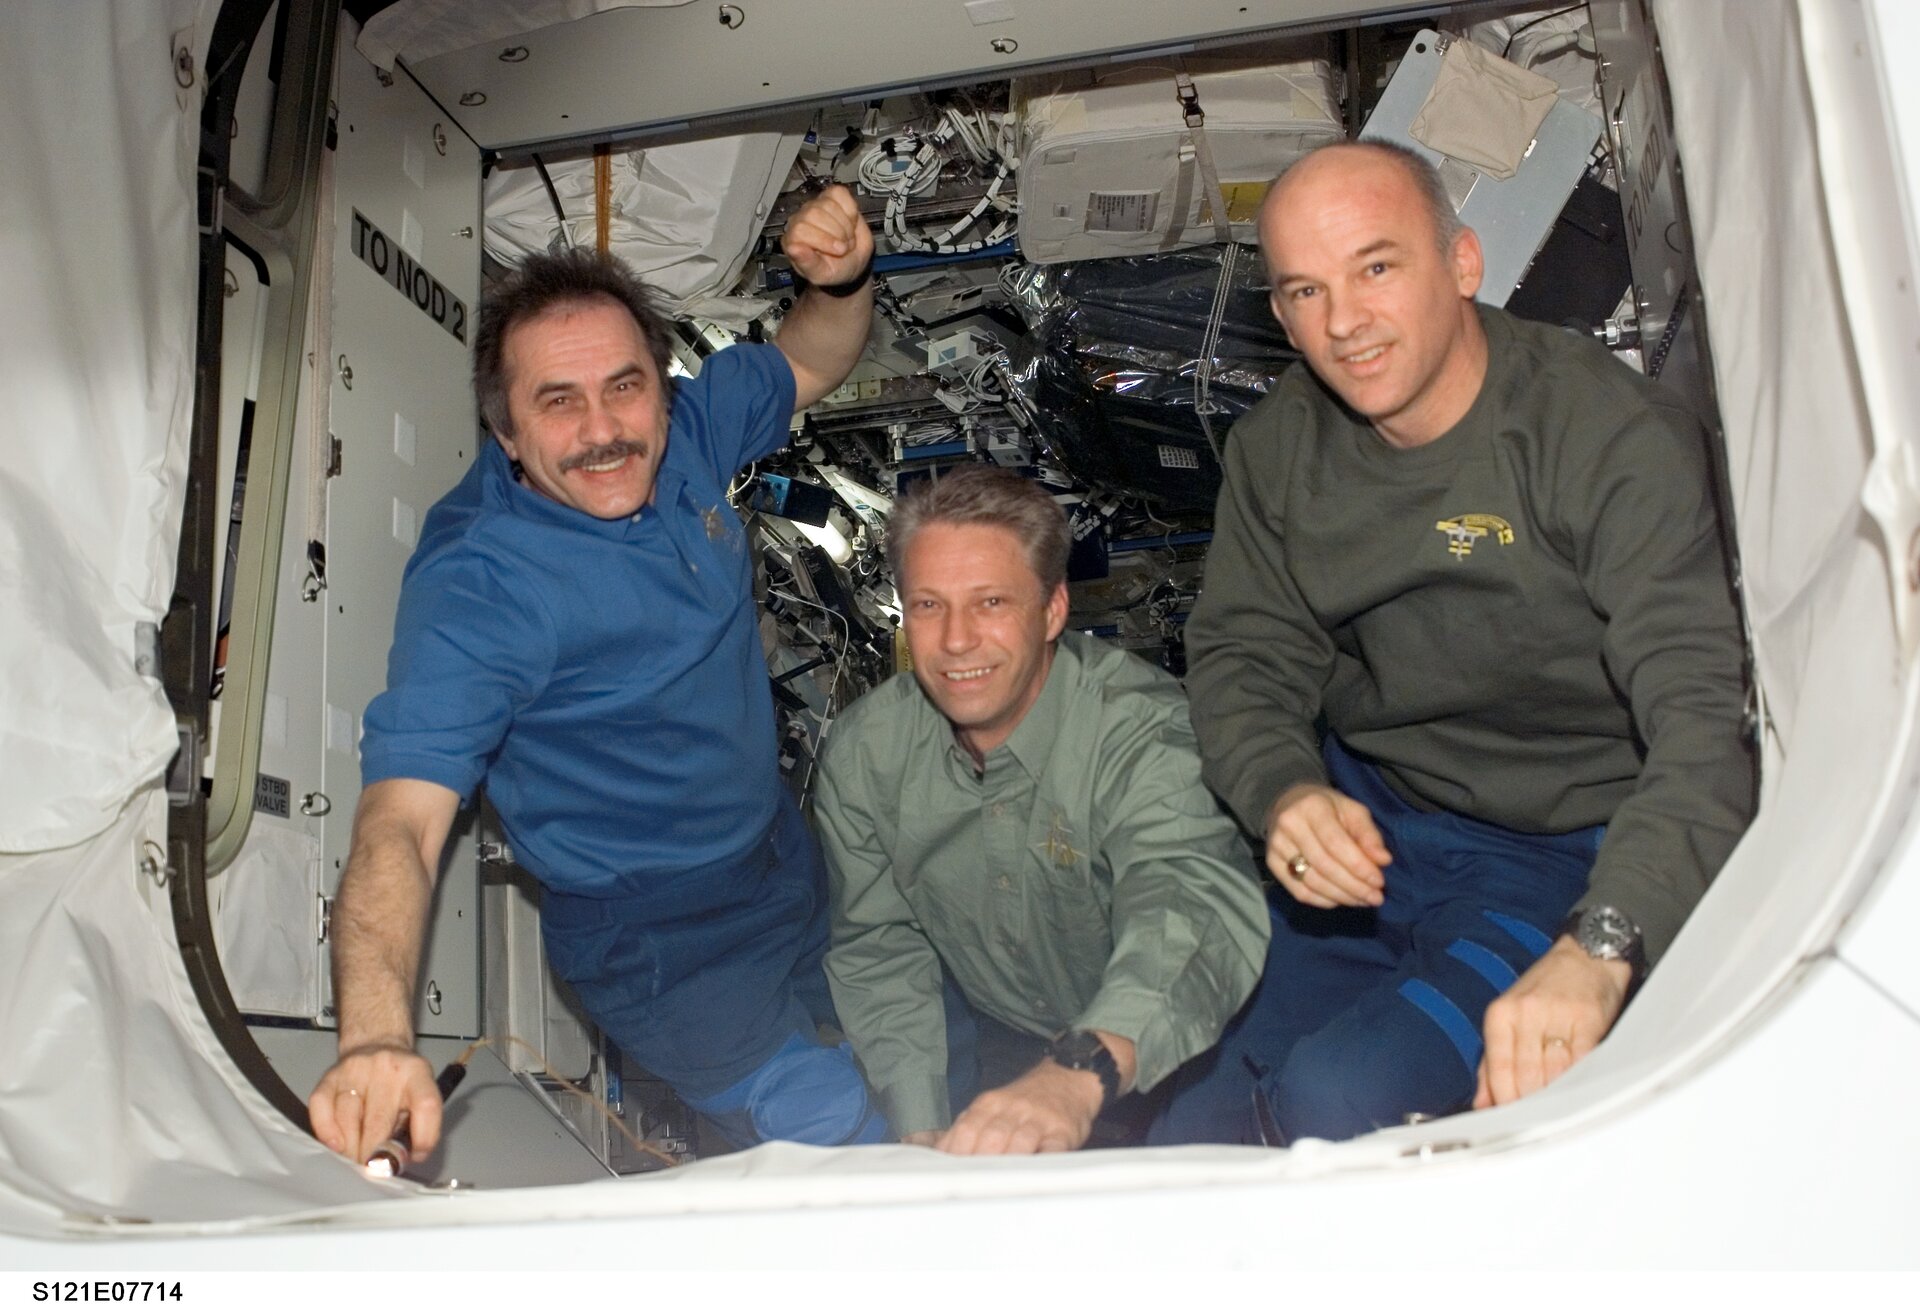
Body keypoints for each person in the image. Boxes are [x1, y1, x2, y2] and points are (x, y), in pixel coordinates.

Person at [1168, 140, 1755, 1144]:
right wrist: (1284, 788)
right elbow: (1242, 657)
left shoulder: (1605, 439)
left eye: (1377, 267)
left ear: (1465, 264)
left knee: (1341, 1095)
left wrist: (1603, 942)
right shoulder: (1280, 449)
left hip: (1557, 849)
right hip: (1370, 820)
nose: (1344, 322)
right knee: (1185, 1100)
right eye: (1306, 291)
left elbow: (1706, 722)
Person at [309, 185, 884, 1164]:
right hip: (656, 935)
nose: (605, 428)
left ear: (659, 386)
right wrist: (372, 1039)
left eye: (624, 386)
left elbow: (810, 354)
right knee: (841, 1132)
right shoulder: (483, 585)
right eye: (558, 401)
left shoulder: (687, 438)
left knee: (883, 1033)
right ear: (507, 434)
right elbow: (400, 823)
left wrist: (845, 277)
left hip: (776, 854)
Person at [815, 465, 1270, 1154]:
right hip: (1018, 1039)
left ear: (1053, 609)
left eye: (992, 602)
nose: (958, 640)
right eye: (930, 606)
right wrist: (918, 1119)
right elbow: (880, 945)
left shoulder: (1138, 731)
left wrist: (1079, 1069)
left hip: (1191, 1027)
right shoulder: (864, 754)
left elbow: (1185, 900)